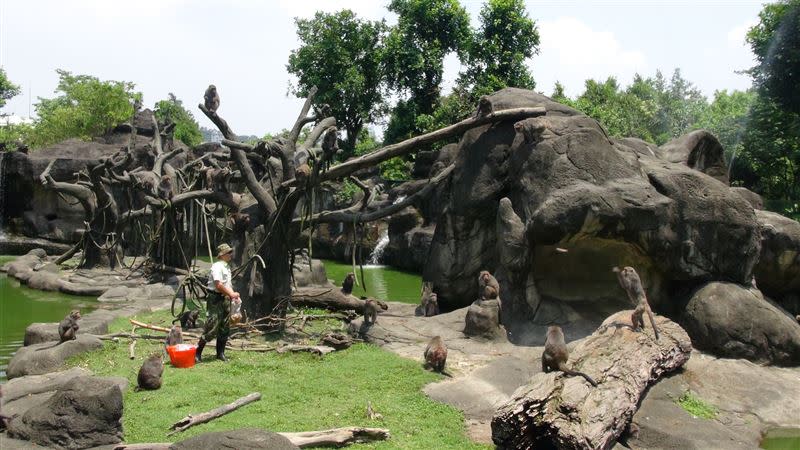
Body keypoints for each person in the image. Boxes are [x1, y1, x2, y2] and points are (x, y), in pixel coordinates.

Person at [196, 243, 241, 362]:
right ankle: (197, 354)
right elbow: (218, 284)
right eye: (228, 253)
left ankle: (220, 353)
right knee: (212, 326)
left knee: (225, 326)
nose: (231, 255)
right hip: (215, 298)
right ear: (222, 255)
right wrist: (230, 294)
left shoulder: (226, 267)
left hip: (225, 298)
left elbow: (227, 284)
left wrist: (233, 295)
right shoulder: (217, 266)